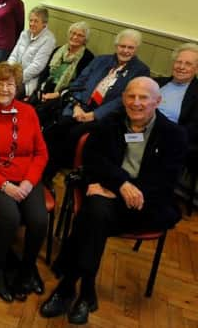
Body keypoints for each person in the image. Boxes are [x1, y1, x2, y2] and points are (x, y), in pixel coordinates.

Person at [40, 77, 186, 324]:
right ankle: (86, 292)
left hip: (146, 203)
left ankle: (68, 287)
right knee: (96, 213)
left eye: (143, 98)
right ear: (123, 98)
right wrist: (121, 184)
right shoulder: (109, 124)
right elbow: (94, 159)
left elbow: (165, 181)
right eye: (131, 96)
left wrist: (120, 188)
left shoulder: (173, 135)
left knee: (92, 216)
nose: (136, 103)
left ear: (157, 101)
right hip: (108, 197)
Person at [0, 62, 48, 303]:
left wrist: (28, 182)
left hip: (26, 178)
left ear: (17, 87)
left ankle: (27, 269)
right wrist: (5, 186)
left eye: (10, 84)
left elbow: (41, 153)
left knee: (38, 219)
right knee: (10, 217)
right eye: (0, 83)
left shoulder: (28, 112)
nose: (5, 88)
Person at [42, 29, 150, 185]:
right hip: (80, 106)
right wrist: (76, 105)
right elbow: (78, 83)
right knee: (57, 126)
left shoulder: (140, 70)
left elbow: (124, 99)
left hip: (105, 114)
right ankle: (42, 165)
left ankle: (49, 173)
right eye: (122, 46)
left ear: (136, 49)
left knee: (74, 133)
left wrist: (95, 115)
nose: (125, 51)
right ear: (116, 46)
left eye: (130, 48)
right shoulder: (101, 60)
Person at [7, 7, 56, 97]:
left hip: (28, 82)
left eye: (36, 21)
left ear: (44, 23)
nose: (32, 24)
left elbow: (37, 66)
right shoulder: (24, 34)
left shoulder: (49, 40)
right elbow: (13, 55)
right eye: (31, 20)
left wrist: (17, 78)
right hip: (13, 76)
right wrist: (9, 71)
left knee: (7, 92)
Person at [155, 43, 198, 142]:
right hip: (137, 133)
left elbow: (192, 131)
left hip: (167, 140)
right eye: (178, 62)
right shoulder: (156, 82)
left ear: (196, 69)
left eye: (188, 64)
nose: (181, 67)